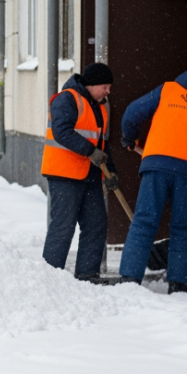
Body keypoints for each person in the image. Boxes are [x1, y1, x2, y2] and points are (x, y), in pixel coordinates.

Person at [118, 60, 187, 293]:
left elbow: (132, 113)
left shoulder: (168, 90)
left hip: (156, 163)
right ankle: (178, 282)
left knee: (144, 221)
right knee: (184, 227)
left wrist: (129, 137)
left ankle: (129, 279)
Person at [41, 62, 118, 281]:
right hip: (64, 173)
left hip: (90, 175)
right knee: (63, 227)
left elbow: (103, 143)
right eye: (105, 86)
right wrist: (89, 151)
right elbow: (61, 131)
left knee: (96, 224)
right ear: (92, 84)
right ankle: (49, 278)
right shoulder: (67, 99)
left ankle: (87, 274)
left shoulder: (101, 106)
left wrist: (111, 172)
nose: (108, 91)